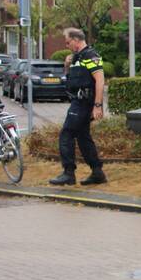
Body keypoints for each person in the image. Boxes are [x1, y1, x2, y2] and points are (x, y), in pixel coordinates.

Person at [50, 28, 106, 186]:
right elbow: (71, 80)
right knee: (83, 137)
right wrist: (67, 65)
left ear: (76, 39)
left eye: (68, 42)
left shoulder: (91, 55)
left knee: (66, 134)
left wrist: (97, 105)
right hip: (78, 100)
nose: (67, 45)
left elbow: (100, 81)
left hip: (84, 102)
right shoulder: (76, 58)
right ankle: (97, 172)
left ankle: (68, 173)